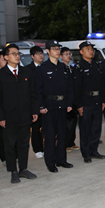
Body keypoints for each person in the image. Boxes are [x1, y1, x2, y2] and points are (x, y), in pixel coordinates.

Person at [0, 44, 39, 184]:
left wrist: (34, 111)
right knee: (10, 145)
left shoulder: (26, 73)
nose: (17, 56)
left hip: (25, 115)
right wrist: (0, 117)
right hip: (8, 118)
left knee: (24, 144)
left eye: (18, 53)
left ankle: (23, 169)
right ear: (6, 57)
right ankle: (13, 171)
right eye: (13, 53)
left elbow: (33, 94)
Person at [34, 40, 75, 172]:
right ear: (48, 51)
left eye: (58, 49)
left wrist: (69, 103)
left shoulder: (63, 67)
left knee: (62, 134)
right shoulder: (42, 69)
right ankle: (50, 162)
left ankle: (61, 160)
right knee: (50, 136)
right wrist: (41, 106)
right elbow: (38, 90)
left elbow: (69, 87)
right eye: (54, 49)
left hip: (62, 105)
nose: (57, 51)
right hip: (49, 106)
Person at [73, 40, 105, 162]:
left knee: (96, 128)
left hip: (97, 101)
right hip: (85, 102)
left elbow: (102, 85)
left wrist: (103, 99)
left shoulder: (97, 65)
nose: (91, 51)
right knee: (85, 129)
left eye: (92, 49)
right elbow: (76, 88)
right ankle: (86, 153)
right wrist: (79, 105)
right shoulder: (79, 67)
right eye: (87, 49)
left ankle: (94, 150)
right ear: (81, 52)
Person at [25, 46, 45, 159]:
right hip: (35, 103)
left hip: (46, 102)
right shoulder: (27, 70)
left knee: (46, 127)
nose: (40, 56)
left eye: (41, 53)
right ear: (32, 56)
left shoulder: (46, 67)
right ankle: (37, 149)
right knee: (36, 128)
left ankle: (46, 146)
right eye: (37, 54)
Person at [60, 47, 79, 153]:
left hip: (74, 98)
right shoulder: (61, 68)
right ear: (61, 56)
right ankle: (65, 143)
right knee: (66, 124)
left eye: (69, 54)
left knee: (73, 122)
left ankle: (71, 142)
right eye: (66, 54)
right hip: (65, 100)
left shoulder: (72, 67)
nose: (69, 56)